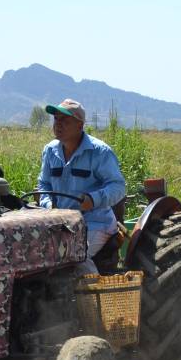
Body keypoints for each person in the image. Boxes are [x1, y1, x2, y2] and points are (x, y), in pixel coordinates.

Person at [38, 99, 127, 275]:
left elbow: (118, 187)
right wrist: (48, 205)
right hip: (60, 222)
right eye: (56, 119)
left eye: (65, 120)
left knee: (75, 255)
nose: (58, 124)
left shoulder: (100, 152)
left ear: (80, 125)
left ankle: (93, 298)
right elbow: (44, 184)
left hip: (94, 222)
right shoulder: (50, 151)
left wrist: (93, 200)